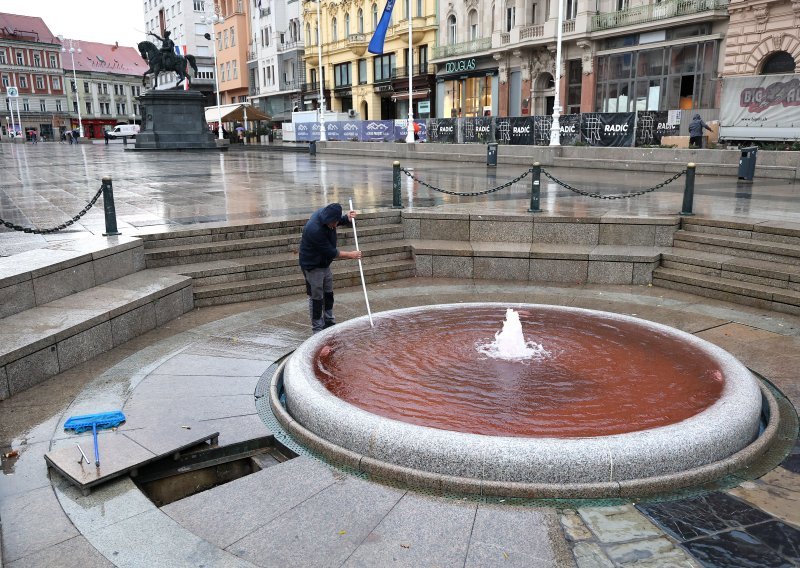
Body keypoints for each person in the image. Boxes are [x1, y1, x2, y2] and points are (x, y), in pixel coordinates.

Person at [298, 203, 362, 333]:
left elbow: (336, 222)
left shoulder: (328, 217)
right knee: (316, 296)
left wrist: (346, 218)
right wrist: (351, 254)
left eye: (335, 222)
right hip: (312, 265)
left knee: (328, 292)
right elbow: (331, 252)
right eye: (332, 224)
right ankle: (317, 328)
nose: (334, 226)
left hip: (324, 263)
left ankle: (329, 320)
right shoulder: (314, 229)